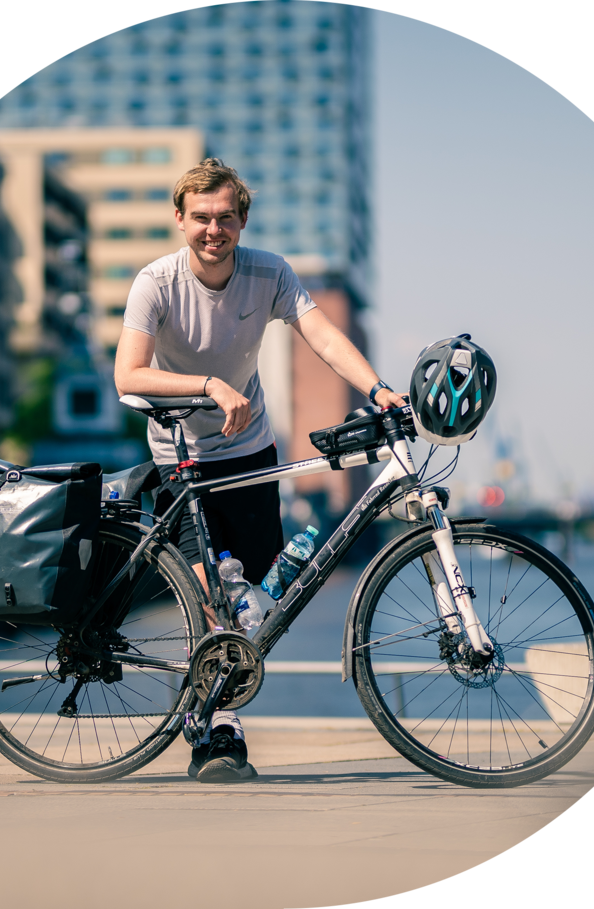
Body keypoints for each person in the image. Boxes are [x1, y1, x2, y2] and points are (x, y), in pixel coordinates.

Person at [115, 158, 405, 783]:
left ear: (242, 219)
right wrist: (208, 384)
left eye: (224, 218)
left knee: (249, 609)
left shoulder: (268, 273)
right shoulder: (156, 283)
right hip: (181, 457)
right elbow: (128, 375)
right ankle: (216, 734)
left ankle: (212, 705)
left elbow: (320, 333)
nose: (212, 230)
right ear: (179, 219)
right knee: (209, 603)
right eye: (200, 218)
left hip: (249, 452)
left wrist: (378, 389)